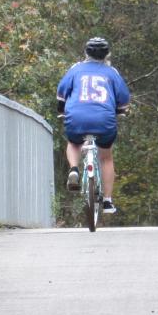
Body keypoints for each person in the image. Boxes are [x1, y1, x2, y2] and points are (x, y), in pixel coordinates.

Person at [56, 37, 130, 214]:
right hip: (104, 120)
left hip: (76, 119)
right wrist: (121, 110)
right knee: (106, 157)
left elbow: (61, 92)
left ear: (86, 52)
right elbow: (123, 98)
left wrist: (62, 110)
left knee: (74, 143)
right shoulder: (111, 72)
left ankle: (74, 169)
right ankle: (107, 201)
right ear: (107, 54)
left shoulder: (76, 69)